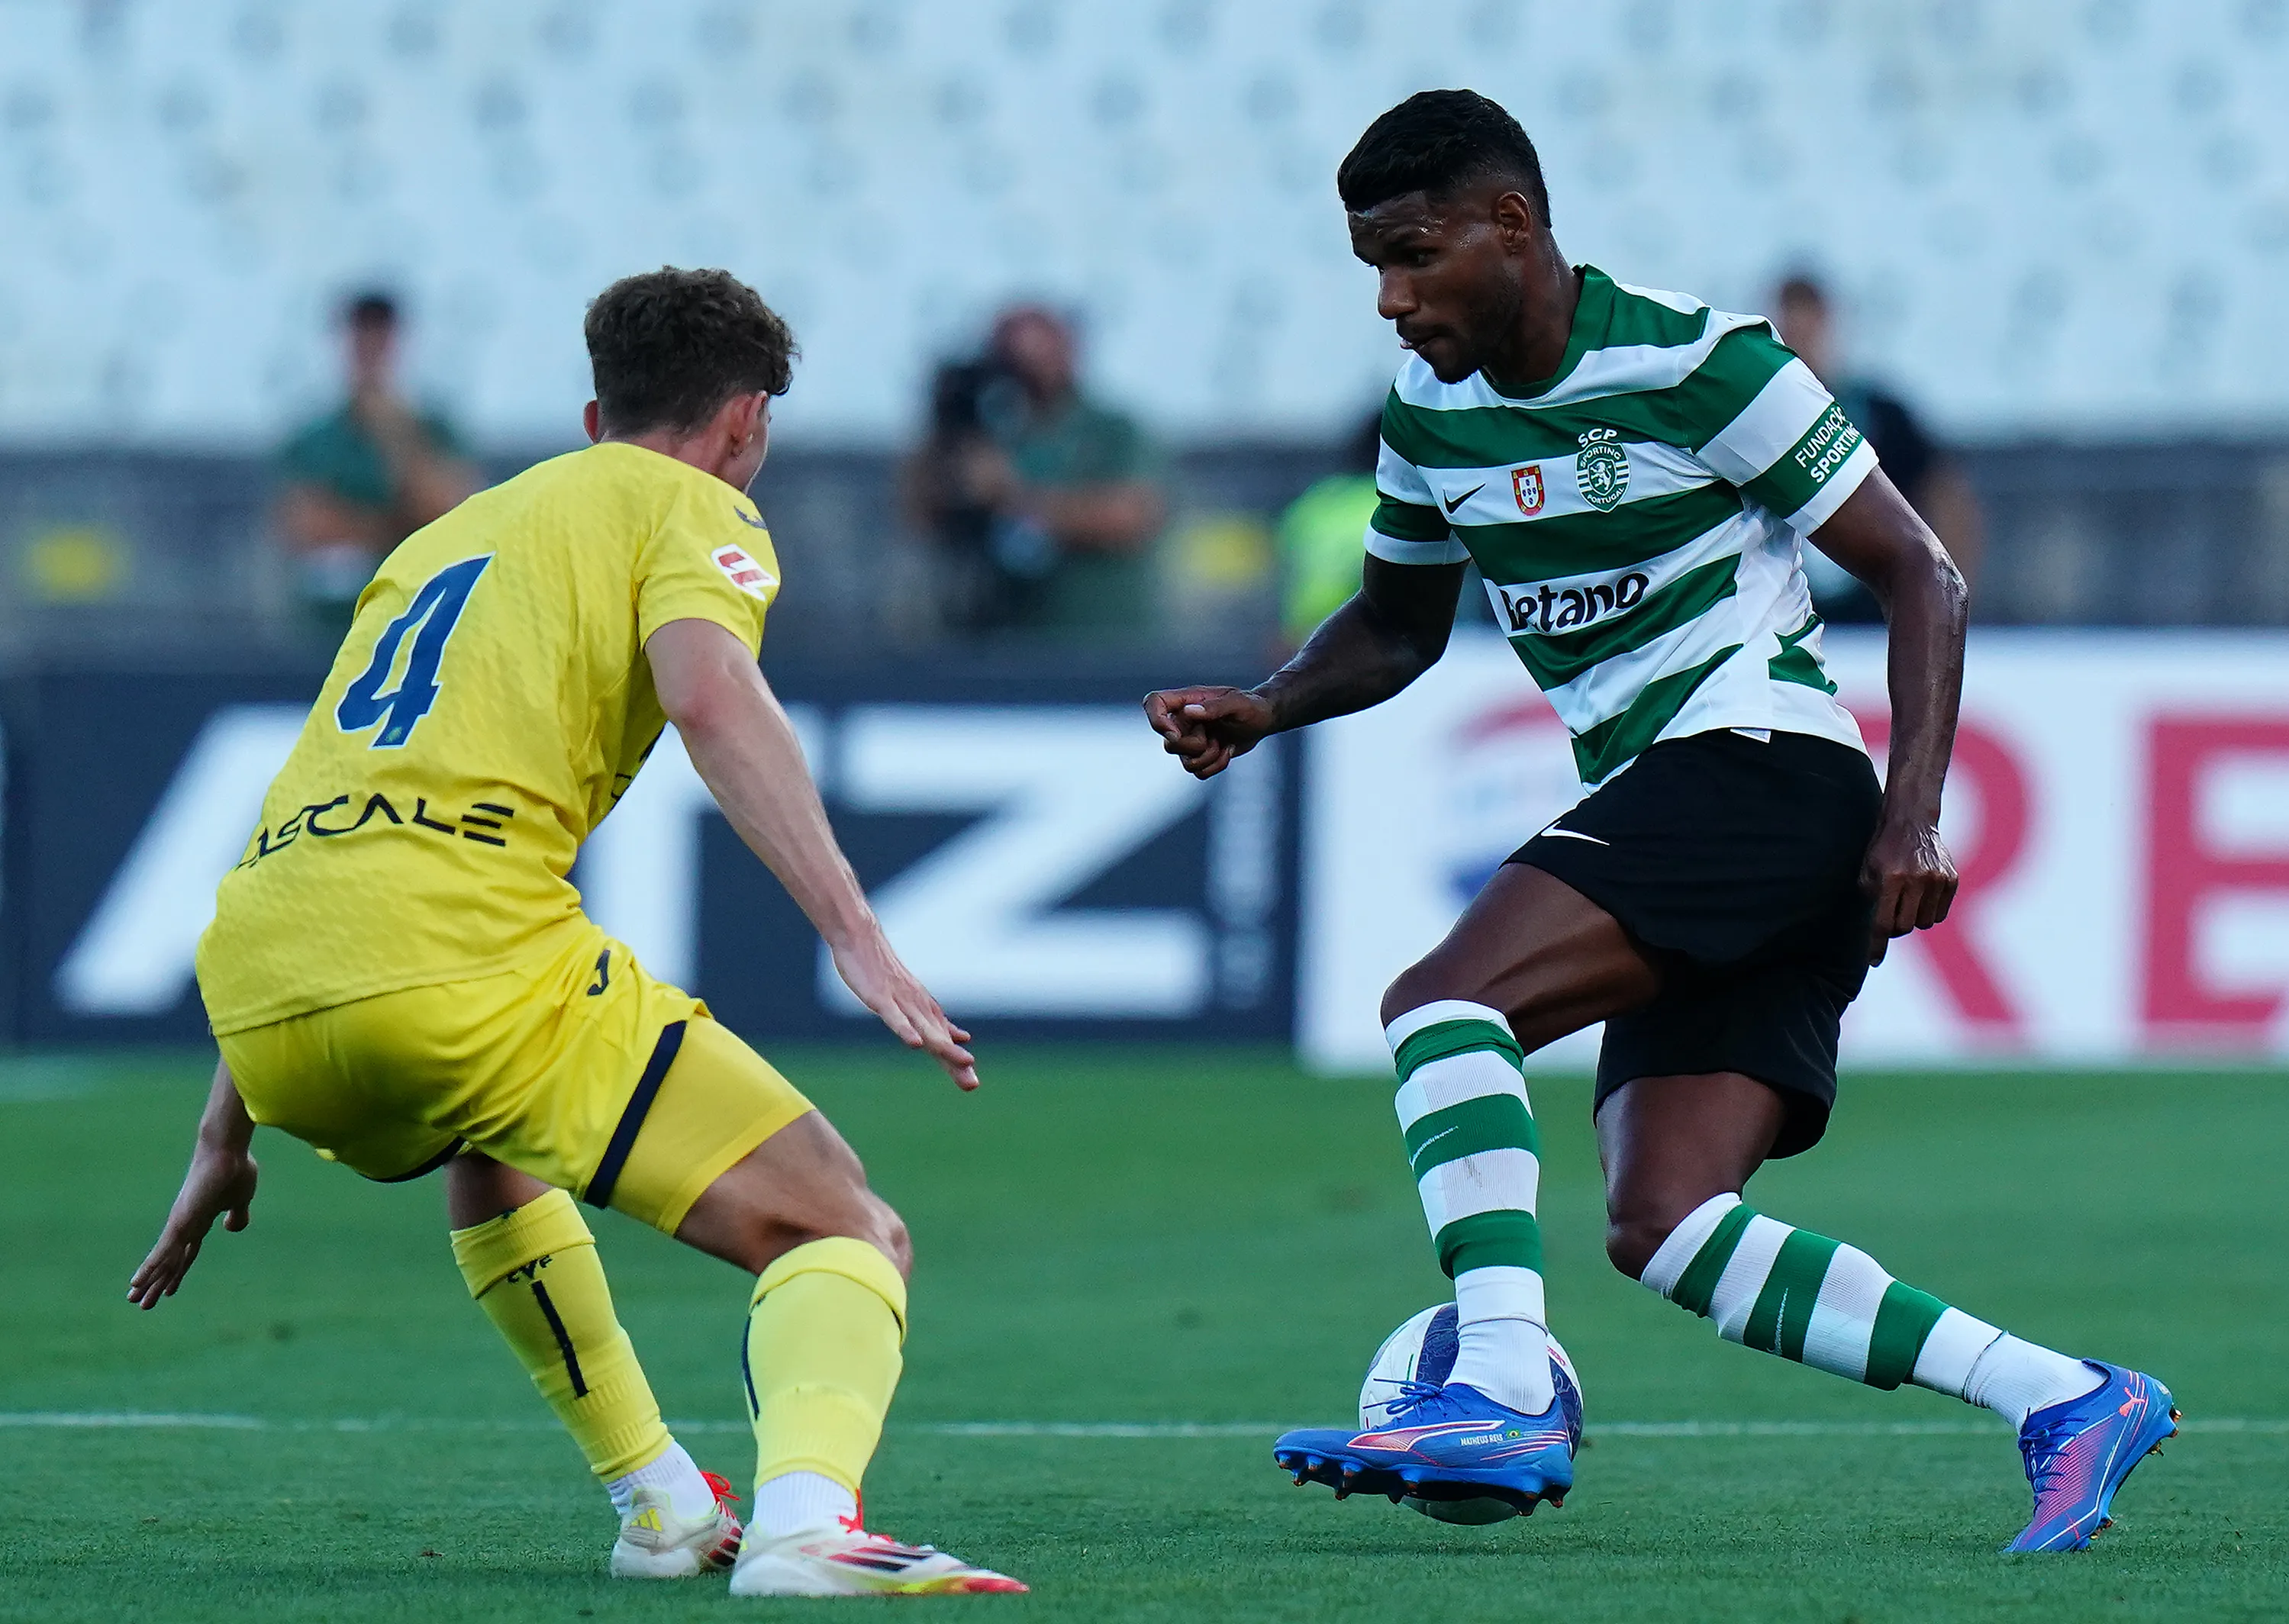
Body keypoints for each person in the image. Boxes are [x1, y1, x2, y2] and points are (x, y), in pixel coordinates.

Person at [1144, 92, 2175, 1553]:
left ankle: (1500, 1379)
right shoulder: (1428, 415)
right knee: (1666, 1225)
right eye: (1371, 265)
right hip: (1697, 804)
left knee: (1442, 1005)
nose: (1390, 300)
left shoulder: (1701, 362)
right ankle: (2063, 1395)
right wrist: (1263, 703)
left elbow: (1919, 572)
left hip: (1760, 766)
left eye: (1414, 256)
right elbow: (1394, 624)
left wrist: (1911, 817)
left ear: (1510, 225)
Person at [128, 267, 1024, 1599]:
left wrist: (225, 1134)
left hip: (263, 988)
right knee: (840, 1226)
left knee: (493, 1141)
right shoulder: (690, 503)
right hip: (452, 954)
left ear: (596, 415)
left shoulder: (439, 538)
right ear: (745, 423)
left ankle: (660, 1503)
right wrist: (853, 929)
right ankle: (806, 1526)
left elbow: (323, 830)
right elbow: (712, 695)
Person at [902, 305, 1165, 640]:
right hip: (1000, 639)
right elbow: (920, 517)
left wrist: (1013, 496)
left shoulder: (1111, 430)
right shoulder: (992, 433)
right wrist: (945, 426)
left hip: (1101, 638)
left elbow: (1129, 516)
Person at [1772, 273, 1984, 624]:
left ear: (1828, 327)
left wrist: (1946, 606)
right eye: (1789, 333)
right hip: (1786, 626)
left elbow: (1950, 502)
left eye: (1807, 332)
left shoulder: (1881, 414)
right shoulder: (1757, 419)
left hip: (1874, 627)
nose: (1800, 346)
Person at [276, 292, 481, 639]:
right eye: (362, 337)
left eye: (381, 337)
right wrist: (399, 529)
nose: (372, 350)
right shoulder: (314, 436)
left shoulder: (434, 429)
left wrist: (394, 436)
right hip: (329, 620)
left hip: (420, 612)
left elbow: (452, 514)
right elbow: (308, 527)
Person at [1275, 414, 1383, 652]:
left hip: (1304, 637)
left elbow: (1285, 566)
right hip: (1366, 635)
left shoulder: (1317, 500)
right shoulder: (1395, 505)